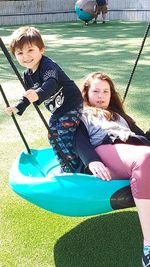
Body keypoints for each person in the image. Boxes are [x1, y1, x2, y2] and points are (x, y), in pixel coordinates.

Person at [74, 72, 150, 267]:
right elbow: (78, 139)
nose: (101, 96)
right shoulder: (82, 114)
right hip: (105, 151)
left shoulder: (121, 117)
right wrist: (91, 160)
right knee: (145, 158)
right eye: (96, 91)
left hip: (131, 149)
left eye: (105, 91)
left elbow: (143, 138)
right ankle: (148, 247)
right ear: (86, 94)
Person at [5, 26, 83, 173]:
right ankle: (64, 164)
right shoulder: (27, 75)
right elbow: (28, 96)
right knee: (52, 135)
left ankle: (75, 167)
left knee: (64, 134)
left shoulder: (48, 65)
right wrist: (18, 107)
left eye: (30, 50)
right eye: (20, 53)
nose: (25, 56)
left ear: (41, 49)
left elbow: (51, 82)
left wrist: (39, 94)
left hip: (72, 104)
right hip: (58, 110)